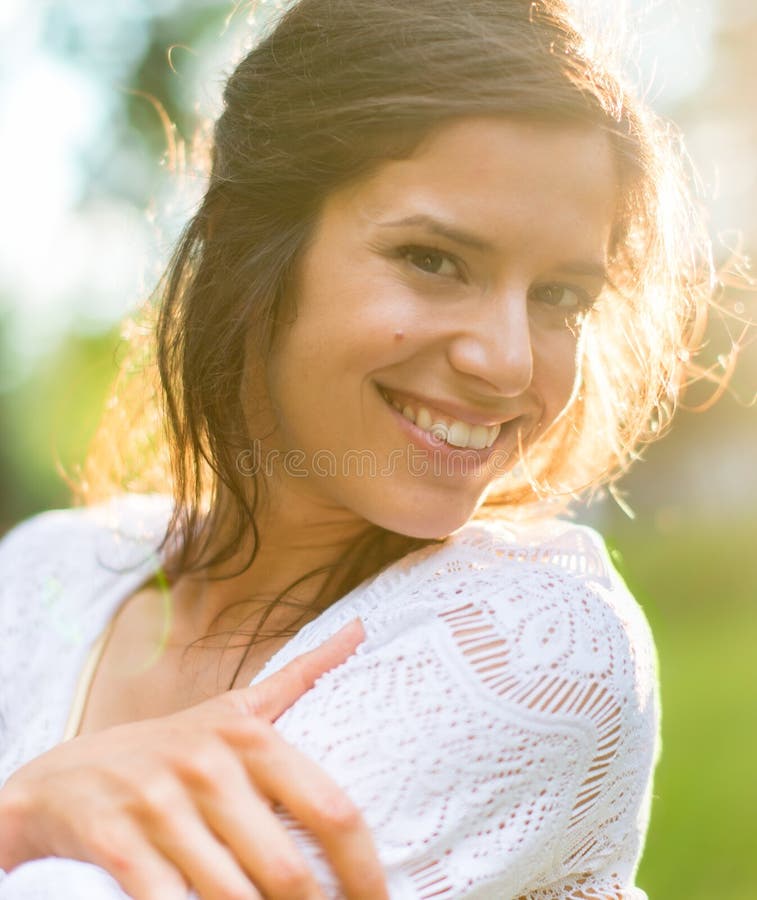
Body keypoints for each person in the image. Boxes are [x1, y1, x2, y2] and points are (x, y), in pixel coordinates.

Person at [0, 0, 714, 897]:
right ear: (246, 245)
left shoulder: (525, 645)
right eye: (433, 259)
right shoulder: (37, 581)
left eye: (561, 296)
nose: (507, 362)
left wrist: (16, 820)